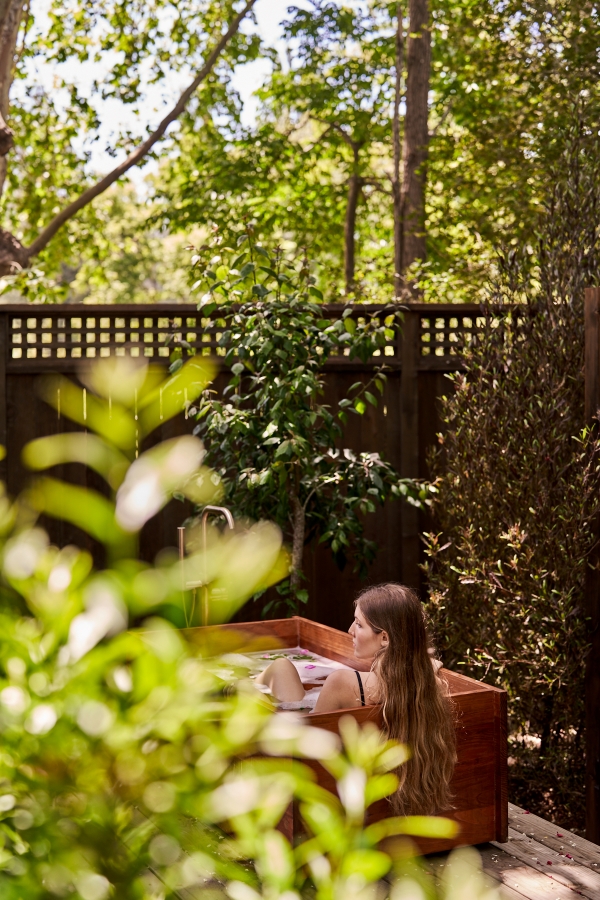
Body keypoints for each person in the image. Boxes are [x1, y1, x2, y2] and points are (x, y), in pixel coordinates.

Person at [255, 583, 456, 814]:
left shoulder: (344, 684)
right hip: (405, 803)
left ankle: (232, 689)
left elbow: (307, 751)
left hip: (330, 802)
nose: (350, 630)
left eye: (359, 624)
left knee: (281, 667)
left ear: (385, 639)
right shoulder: (430, 685)